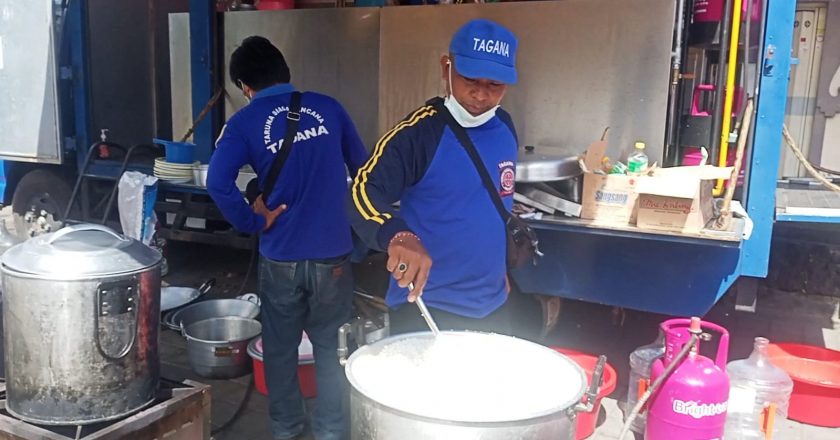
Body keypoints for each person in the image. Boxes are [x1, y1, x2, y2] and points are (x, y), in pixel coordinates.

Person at [207, 36, 367, 440]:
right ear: (285, 72)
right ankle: (332, 431)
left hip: (281, 256)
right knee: (332, 347)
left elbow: (217, 182)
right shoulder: (329, 108)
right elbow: (364, 169)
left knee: (280, 348)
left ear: (245, 86)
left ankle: (287, 428)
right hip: (332, 254)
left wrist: (252, 221)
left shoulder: (243, 123)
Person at [348, 19, 520, 335]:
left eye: (494, 85)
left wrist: (500, 271)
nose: (480, 95)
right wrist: (398, 235)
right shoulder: (418, 135)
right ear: (446, 68)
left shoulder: (505, 126)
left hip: (494, 303)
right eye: (470, 79)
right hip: (427, 307)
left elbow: (491, 204)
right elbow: (362, 190)